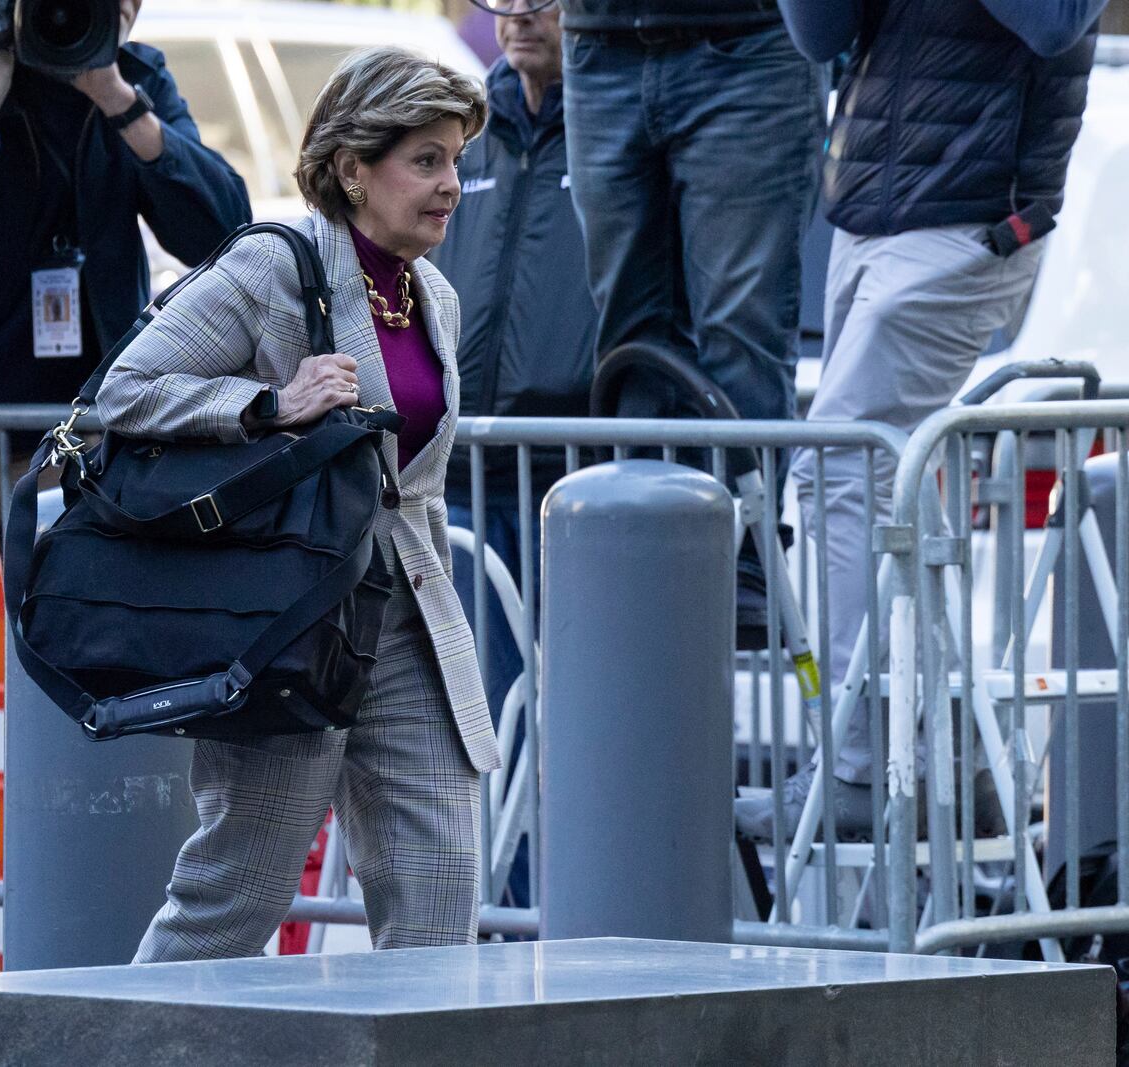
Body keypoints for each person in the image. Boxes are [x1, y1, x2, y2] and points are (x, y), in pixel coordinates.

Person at [0, 0, 249, 975]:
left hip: (73, 463)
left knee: (94, 731)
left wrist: (113, 95)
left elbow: (223, 226)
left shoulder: (132, 77)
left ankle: (89, 979)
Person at [96, 46, 501, 962]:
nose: (449, 185)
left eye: (456, 161)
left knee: (440, 895)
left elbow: (414, 481)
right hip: (291, 620)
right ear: (353, 168)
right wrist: (270, 406)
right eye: (425, 160)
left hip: (406, 620)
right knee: (237, 891)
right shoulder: (272, 267)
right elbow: (122, 394)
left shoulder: (432, 292)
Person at [736, 0, 1104, 841]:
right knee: (880, 482)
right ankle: (948, 757)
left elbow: (1055, 24)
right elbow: (818, 33)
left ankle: (863, 764)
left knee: (838, 468)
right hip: (870, 206)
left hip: (972, 216)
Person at [558, 0, 825, 633]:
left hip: (747, 41)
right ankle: (643, 544)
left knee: (741, 326)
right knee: (629, 328)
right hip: (600, 42)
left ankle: (745, 557)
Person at [426, 0, 591, 911]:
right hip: (464, 477)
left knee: (568, 726)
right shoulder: (461, 136)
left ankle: (555, 925)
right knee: (475, 721)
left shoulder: (615, 132)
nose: (520, 13)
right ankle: (491, 916)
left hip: (571, 479)